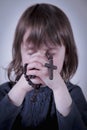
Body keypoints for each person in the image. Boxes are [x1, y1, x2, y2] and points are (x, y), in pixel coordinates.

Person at [0, 3, 87, 130]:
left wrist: (59, 89)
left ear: (66, 54)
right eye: (31, 52)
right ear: (20, 53)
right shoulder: (6, 92)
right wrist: (19, 89)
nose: (40, 61)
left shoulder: (73, 94)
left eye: (50, 54)